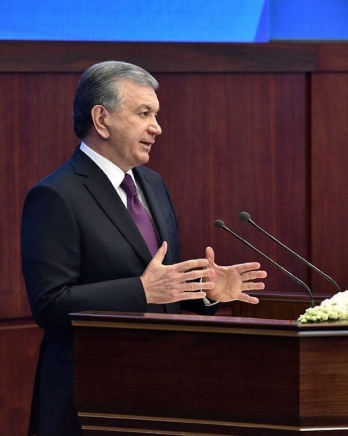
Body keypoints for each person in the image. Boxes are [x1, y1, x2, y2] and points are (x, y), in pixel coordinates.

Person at [21, 61, 267, 436]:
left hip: (159, 393)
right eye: (143, 113)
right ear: (101, 119)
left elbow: (162, 282)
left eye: (156, 114)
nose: (157, 127)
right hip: (89, 401)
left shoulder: (152, 183)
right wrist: (141, 290)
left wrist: (205, 291)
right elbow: (50, 304)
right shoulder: (55, 196)